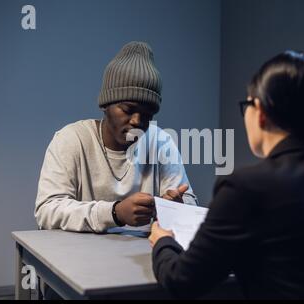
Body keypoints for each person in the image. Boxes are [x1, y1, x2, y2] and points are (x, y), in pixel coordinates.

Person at [149, 50, 304, 299]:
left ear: (260, 111)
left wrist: (163, 242)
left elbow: (182, 282)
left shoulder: (244, 188)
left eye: (246, 105)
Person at [35, 41, 197, 234]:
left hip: (145, 258)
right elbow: (47, 210)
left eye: (147, 115)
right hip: (78, 259)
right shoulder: (71, 139)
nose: (138, 121)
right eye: (128, 110)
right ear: (106, 104)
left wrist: (175, 208)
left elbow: (189, 204)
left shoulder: (161, 143)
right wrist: (115, 213)